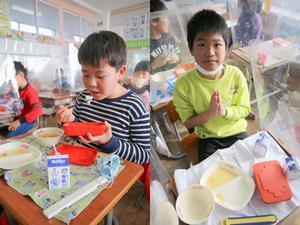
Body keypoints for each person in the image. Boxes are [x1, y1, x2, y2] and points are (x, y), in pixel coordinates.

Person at [56, 31, 150, 165]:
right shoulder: (84, 97)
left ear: (120, 73)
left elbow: (144, 155)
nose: (91, 83)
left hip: (114, 175)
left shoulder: (134, 106)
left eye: (100, 76)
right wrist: (68, 121)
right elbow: (75, 134)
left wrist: (109, 142)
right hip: (81, 166)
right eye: (86, 75)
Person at [173, 9, 251, 162]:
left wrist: (224, 111)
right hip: (208, 138)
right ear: (191, 48)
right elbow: (187, 121)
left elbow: (245, 109)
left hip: (237, 132)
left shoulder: (235, 75)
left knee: (250, 169)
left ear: (226, 48)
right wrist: (209, 114)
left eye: (217, 44)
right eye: (201, 44)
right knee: (210, 178)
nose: (210, 52)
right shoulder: (183, 85)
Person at [0, 61, 43, 138]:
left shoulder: (30, 91)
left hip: (27, 121)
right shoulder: (16, 90)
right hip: (17, 119)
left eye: (11, 78)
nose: (9, 81)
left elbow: (38, 110)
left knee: (9, 137)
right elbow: (6, 102)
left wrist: (19, 121)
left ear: (21, 75)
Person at [150, 0, 180, 74]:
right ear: (153, 21)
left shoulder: (170, 37)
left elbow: (180, 59)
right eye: (166, 17)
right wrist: (153, 65)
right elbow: (142, 72)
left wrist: (177, 58)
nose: (169, 21)